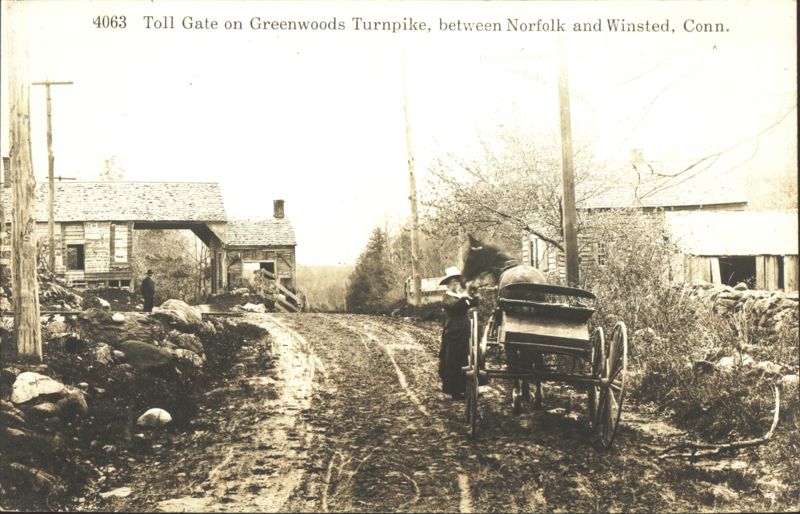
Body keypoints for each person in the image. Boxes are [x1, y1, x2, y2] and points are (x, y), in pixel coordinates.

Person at [438, 266, 478, 400]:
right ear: (448, 285)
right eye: (452, 283)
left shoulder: (460, 296)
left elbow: (474, 303)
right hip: (453, 330)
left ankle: (465, 388)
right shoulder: (447, 298)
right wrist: (464, 298)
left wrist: (474, 294)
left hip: (464, 329)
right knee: (453, 359)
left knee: (465, 357)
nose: (455, 285)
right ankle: (454, 390)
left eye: (457, 282)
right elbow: (454, 308)